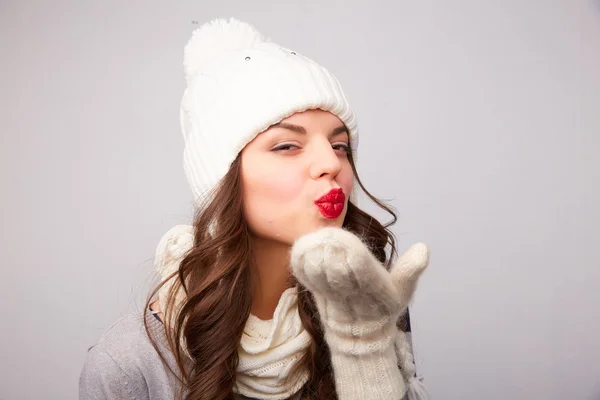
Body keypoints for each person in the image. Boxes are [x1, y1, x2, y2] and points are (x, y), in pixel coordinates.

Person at [79, 17, 431, 400]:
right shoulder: (132, 361)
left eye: (340, 145)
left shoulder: (368, 306)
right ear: (222, 178)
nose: (331, 163)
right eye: (287, 146)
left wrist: (365, 350)